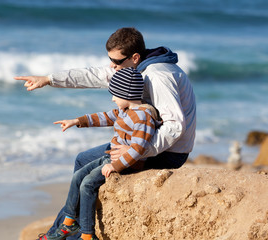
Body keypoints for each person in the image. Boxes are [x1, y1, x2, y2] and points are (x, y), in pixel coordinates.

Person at [15, 27, 196, 240]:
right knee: (82, 160)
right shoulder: (135, 68)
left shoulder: (158, 76)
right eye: (110, 59)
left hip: (167, 151)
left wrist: (136, 152)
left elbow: (175, 126)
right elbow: (95, 75)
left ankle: (67, 234)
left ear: (135, 57)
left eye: (116, 61)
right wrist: (48, 79)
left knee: (85, 169)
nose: (112, 65)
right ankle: (64, 229)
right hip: (145, 143)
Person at [47, 67, 161, 240]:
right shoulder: (126, 111)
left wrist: (115, 166)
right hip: (111, 156)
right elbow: (105, 117)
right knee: (78, 176)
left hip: (127, 164)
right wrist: (77, 121)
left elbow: (138, 149)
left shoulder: (143, 116)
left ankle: (87, 235)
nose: (113, 99)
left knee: (87, 185)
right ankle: (68, 224)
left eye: (115, 94)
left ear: (127, 94)